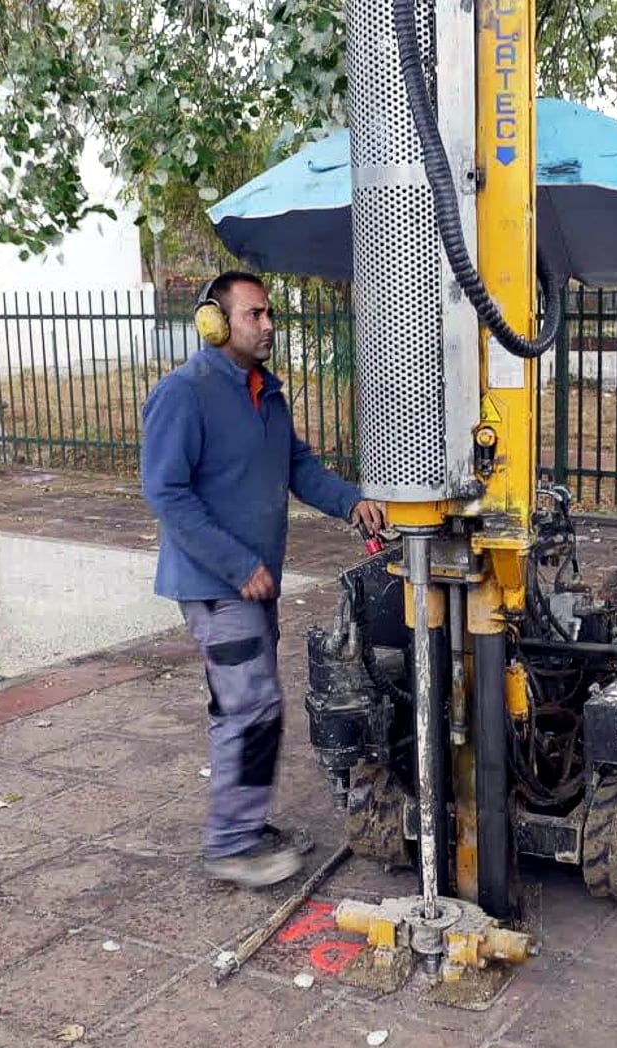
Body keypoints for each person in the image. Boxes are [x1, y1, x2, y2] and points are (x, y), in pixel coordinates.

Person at [140, 270, 385, 887]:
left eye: (269, 312)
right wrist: (236, 564)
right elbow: (165, 491)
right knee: (250, 708)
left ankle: (243, 826)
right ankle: (230, 843)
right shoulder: (186, 392)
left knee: (247, 706)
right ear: (214, 322)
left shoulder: (263, 391)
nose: (268, 324)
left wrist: (350, 501)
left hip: (254, 586)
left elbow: (297, 465)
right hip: (218, 586)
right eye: (254, 314)